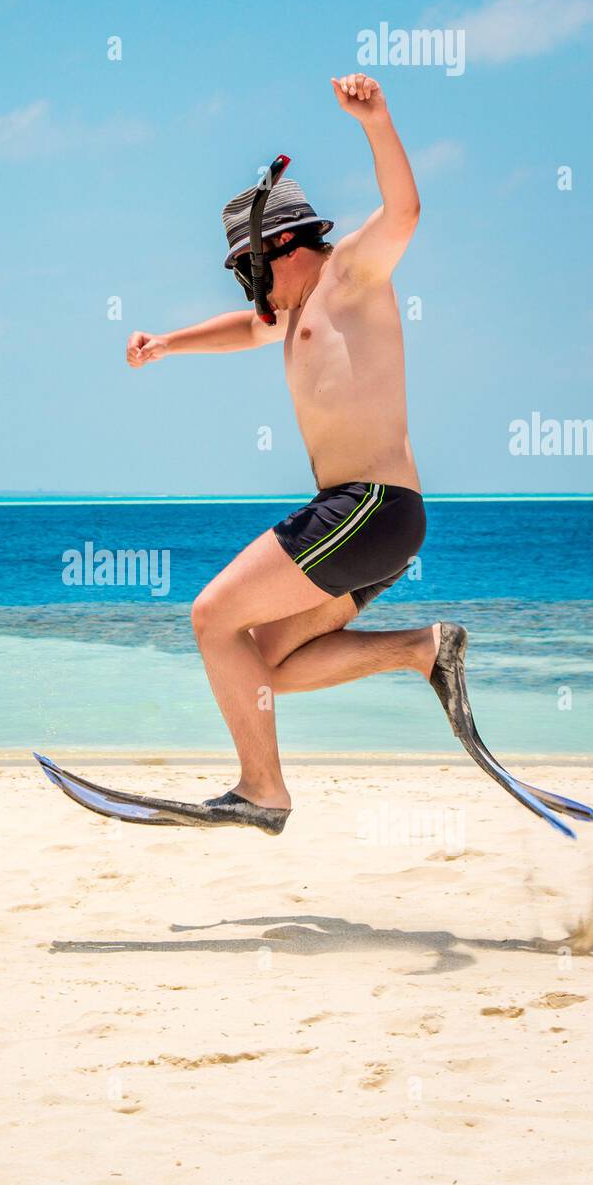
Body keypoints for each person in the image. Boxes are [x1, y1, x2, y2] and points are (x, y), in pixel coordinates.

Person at [125, 74, 440, 831]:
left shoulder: (351, 276)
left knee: (211, 616)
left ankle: (263, 789)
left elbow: (405, 211)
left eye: (249, 269)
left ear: (283, 246)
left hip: (368, 506)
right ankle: (422, 651)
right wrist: (167, 343)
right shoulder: (293, 309)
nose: (248, 286)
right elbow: (245, 330)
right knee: (258, 663)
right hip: (371, 525)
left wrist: (377, 120)